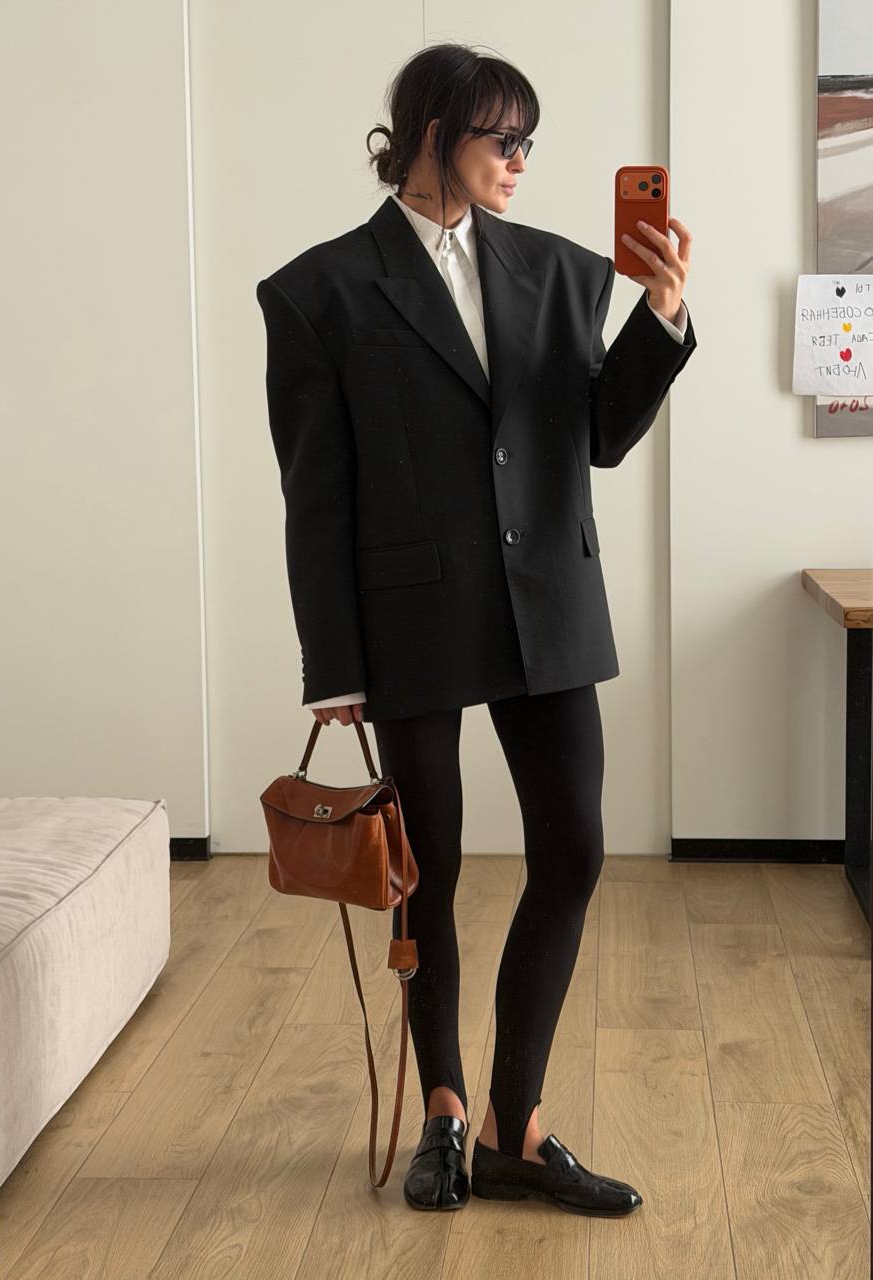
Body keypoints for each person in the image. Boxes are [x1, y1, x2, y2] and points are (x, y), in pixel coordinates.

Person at [257, 41, 696, 1214]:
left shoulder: (561, 271)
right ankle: (445, 1109)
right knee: (429, 871)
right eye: (505, 139)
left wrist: (660, 315)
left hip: (548, 601)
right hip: (408, 618)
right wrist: (331, 660)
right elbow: (317, 494)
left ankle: (517, 1121)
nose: (521, 161)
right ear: (436, 133)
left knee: (575, 848)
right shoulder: (317, 292)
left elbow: (598, 435)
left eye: (528, 143)